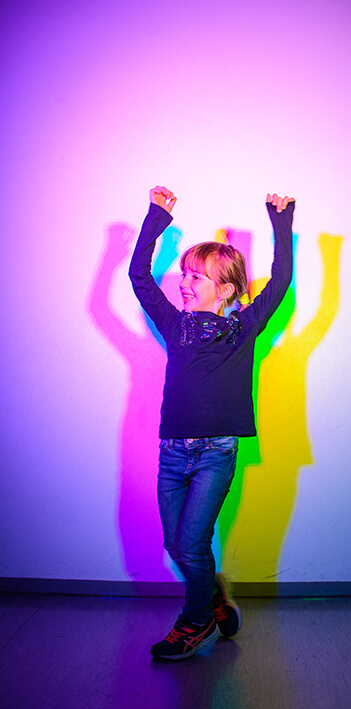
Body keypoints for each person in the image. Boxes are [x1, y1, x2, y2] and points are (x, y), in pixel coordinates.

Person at [129, 185, 295, 660]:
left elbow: (280, 280)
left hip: (216, 453)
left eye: (196, 278)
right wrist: (156, 218)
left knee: (191, 542)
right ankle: (216, 598)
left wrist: (279, 223)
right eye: (184, 274)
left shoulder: (244, 327)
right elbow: (139, 276)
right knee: (177, 545)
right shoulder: (174, 323)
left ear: (225, 290)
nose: (184, 283)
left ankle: (196, 621)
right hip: (172, 452)